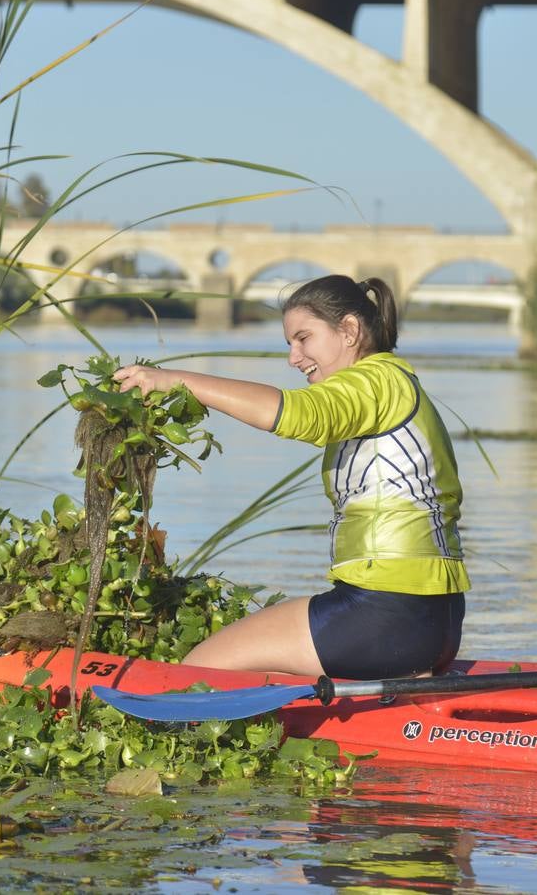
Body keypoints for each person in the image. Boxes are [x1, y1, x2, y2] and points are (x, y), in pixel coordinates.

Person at [113, 274, 468, 679]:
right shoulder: (394, 383)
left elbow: (295, 414)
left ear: (349, 330)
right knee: (273, 670)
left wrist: (176, 380)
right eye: (289, 344)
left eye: (304, 338)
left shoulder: (376, 382)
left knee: (197, 670)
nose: (293, 358)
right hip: (438, 622)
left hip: (386, 615)